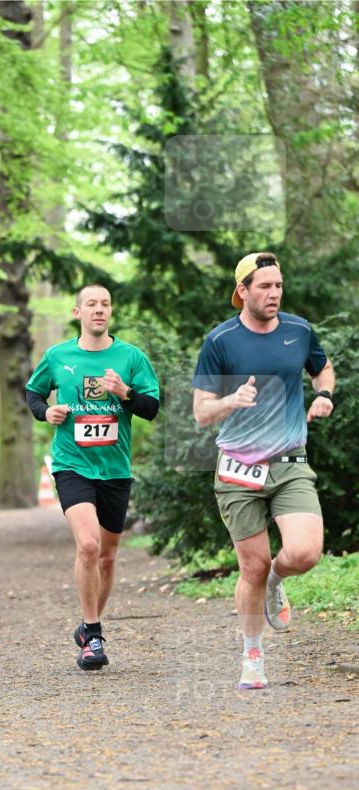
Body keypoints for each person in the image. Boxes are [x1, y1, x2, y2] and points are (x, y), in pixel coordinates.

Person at [192, 252, 335, 690]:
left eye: (278, 286)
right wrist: (230, 401)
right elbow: (201, 412)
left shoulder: (298, 330)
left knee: (305, 553)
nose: (274, 294)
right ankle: (252, 655)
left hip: (290, 462)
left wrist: (324, 395)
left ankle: (278, 579)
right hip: (238, 469)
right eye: (264, 287)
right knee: (250, 568)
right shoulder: (220, 342)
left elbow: (322, 368)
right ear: (243, 292)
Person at [26, 284, 160, 670]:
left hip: (115, 469)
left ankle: (88, 627)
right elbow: (33, 394)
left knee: (108, 555)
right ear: (77, 312)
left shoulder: (131, 357)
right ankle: (94, 633)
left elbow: (151, 409)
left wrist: (125, 392)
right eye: (91, 304)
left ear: (110, 312)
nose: (98, 310)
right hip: (72, 464)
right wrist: (45, 412)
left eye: (104, 304)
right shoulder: (58, 356)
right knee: (88, 545)